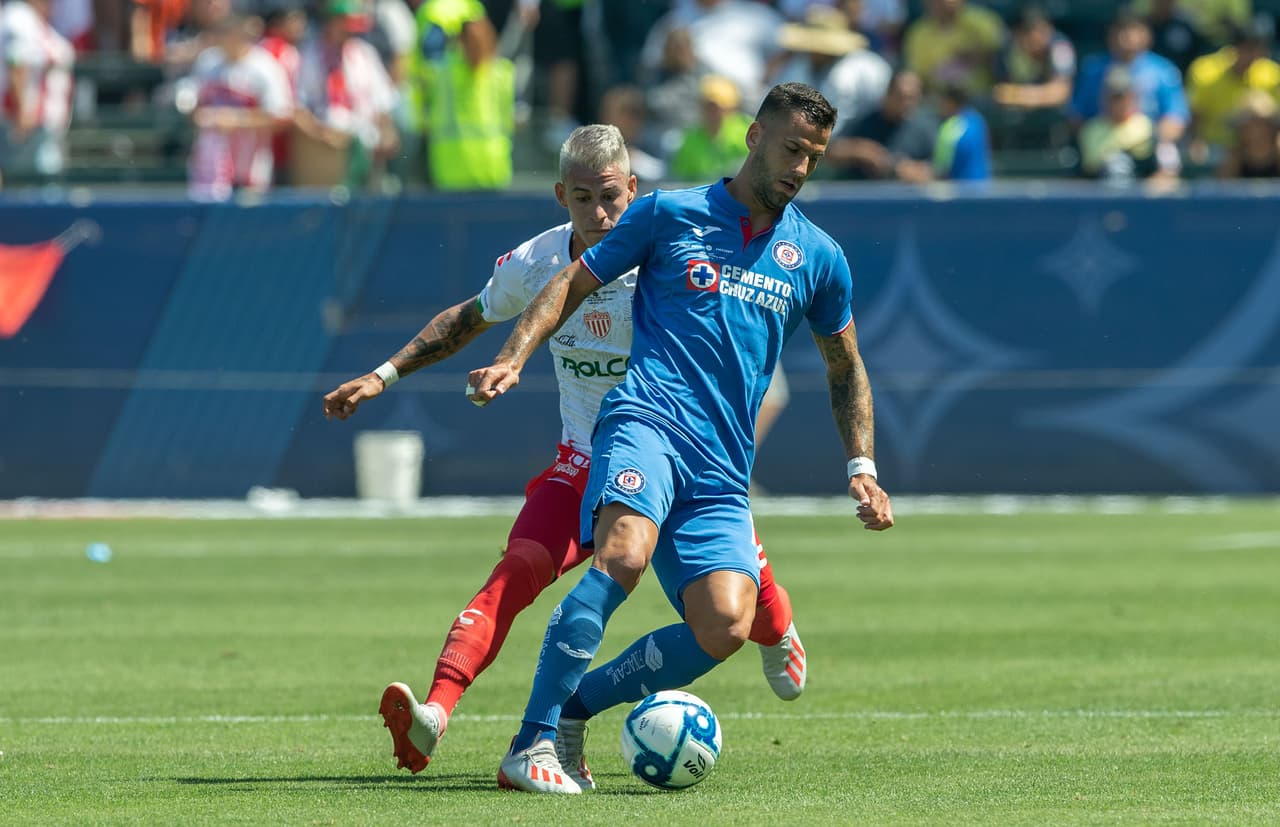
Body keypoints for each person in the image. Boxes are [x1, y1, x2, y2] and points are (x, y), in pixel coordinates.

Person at [322, 124, 808, 778]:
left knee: (731, 594)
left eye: (611, 196)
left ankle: (776, 627)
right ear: (560, 195)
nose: (601, 212)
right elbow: (466, 317)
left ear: (633, 188)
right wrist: (382, 375)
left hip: (668, 451)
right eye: (583, 198)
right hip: (583, 460)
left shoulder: (669, 252)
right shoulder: (539, 263)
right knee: (517, 568)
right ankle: (435, 712)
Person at [467, 82, 894, 795]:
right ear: (755, 137)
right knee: (623, 555)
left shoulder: (818, 256)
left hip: (722, 469)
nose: (799, 167)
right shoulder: (670, 212)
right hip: (644, 424)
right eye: (791, 148)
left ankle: (575, 709)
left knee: (726, 621)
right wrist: (512, 354)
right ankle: (529, 743)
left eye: (813, 157)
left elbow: (844, 365)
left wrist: (862, 464)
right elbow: (573, 281)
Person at [182, 13, 292, 201]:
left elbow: (282, 117)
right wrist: (196, 113)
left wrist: (237, 120)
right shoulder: (208, 61)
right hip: (210, 170)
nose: (226, 39)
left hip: (250, 170)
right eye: (223, 33)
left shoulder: (265, 67)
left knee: (249, 224)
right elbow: (191, 103)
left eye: (231, 33)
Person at [1186, 14, 1279, 157]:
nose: (1254, 55)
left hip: (1260, 148)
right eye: (1249, 48)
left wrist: (1266, 110)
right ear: (1235, 48)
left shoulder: (1272, 74)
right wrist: (1197, 142)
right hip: (1217, 146)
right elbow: (1195, 117)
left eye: (1259, 49)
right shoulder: (1205, 71)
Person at [825, 68, 937, 182]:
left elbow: (936, 171)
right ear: (888, 94)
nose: (906, 103)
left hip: (905, 196)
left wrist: (906, 170)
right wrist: (861, 151)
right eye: (901, 97)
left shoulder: (925, 128)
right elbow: (831, 152)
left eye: (912, 98)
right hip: (862, 193)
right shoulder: (866, 121)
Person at [1077, 66, 1160, 182]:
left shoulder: (1147, 127)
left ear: (1132, 97)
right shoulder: (1090, 129)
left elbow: (1162, 172)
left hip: (1138, 193)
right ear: (1103, 97)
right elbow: (1086, 173)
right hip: (1099, 194)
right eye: (1112, 97)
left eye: (1121, 97)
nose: (1117, 103)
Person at [668, 74, 752, 182]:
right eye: (707, 106)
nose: (711, 112)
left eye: (717, 107)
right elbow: (682, 179)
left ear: (731, 108)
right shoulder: (689, 139)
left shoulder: (746, 134)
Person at [933, 83, 992, 181]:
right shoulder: (978, 120)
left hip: (960, 192)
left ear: (949, 102)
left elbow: (942, 167)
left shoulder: (951, 127)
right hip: (983, 188)